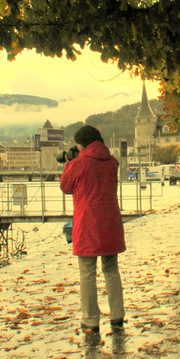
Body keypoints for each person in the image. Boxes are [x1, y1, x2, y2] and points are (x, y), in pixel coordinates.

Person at [59, 125, 126, 333]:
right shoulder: (112, 162)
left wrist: (69, 164)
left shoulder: (79, 163)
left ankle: (90, 319)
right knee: (111, 269)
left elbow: (65, 187)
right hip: (111, 222)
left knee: (87, 273)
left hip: (88, 224)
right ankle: (117, 316)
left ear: (81, 144)